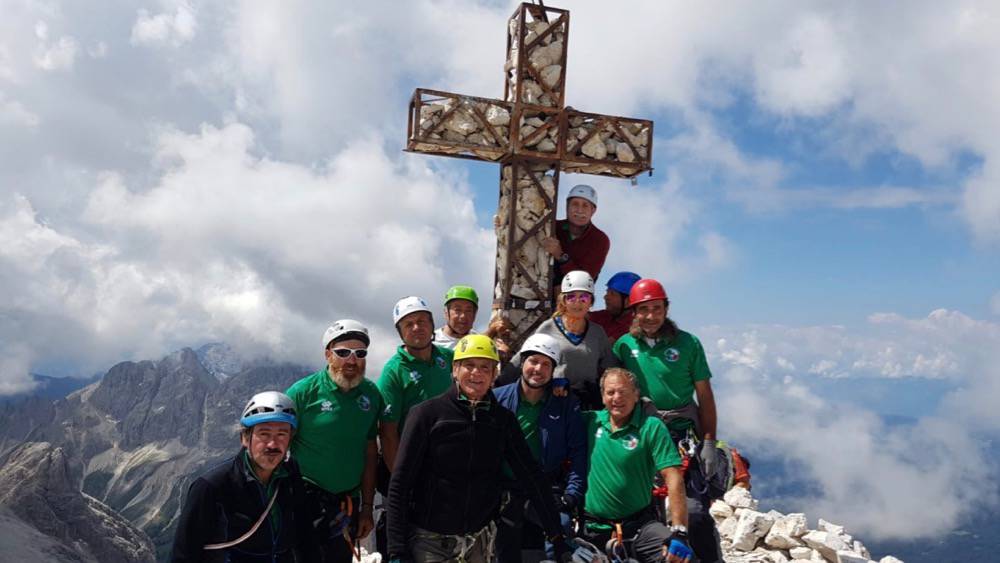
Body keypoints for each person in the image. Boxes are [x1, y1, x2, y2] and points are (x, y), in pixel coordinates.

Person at [386, 335, 574, 563]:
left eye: (485, 367)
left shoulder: (502, 420)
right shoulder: (426, 414)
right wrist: (396, 550)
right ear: (455, 370)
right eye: (469, 365)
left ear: (495, 374)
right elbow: (400, 483)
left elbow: (531, 475)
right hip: (430, 540)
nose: (477, 373)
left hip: (479, 541)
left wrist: (556, 535)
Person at [612, 279, 722, 562]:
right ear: (633, 312)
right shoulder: (623, 347)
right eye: (643, 309)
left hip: (680, 433)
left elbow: (704, 395)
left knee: (693, 511)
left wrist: (709, 440)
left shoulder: (688, 344)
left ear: (666, 309)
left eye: (657, 308)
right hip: (643, 432)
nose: (650, 316)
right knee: (645, 508)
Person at [171, 392, 314, 562]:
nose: (273, 444)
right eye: (264, 434)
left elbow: (306, 536)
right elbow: (184, 554)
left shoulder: (290, 476)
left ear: (290, 440)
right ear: (245, 438)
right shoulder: (211, 487)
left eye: (282, 434)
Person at [286, 320, 381, 562]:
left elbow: (370, 453)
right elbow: (278, 446)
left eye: (360, 353)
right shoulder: (302, 393)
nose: (352, 360)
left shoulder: (371, 395)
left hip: (347, 503)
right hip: (305, 500)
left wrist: (368, 508)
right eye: (342, 353)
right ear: (328, 354)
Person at [581, 368, 693, 563]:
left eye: (623, 392)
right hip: (592, 528)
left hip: (640, 526)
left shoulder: (651, 427)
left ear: (636, 395)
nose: (617, 398)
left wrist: (679, 531)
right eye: (610, 392)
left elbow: (673, 477)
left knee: (679, 558)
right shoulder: (589, 421)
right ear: (602, 396)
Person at [494, 334, 587, 563]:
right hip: (504, 488)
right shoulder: (497, 399)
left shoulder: (566, 404)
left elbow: (578, 451)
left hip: (546, 488)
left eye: (546, 364)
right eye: (533, 361)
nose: (538, 368)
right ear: (522, 363)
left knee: (557, 545)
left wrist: (572, 495)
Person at [376, 296, 454, 554]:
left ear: (433, 325)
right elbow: (388, 433)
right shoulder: (393, 372)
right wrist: (403, 480)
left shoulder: (450, 358)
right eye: (408, 324)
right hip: (413, 468)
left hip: (447, 467)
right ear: (400, 333)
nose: (416, 328)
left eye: (421, 321)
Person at [508, 270, 618, 409]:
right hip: (553, 401)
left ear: (591, 302)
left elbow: (613, 368)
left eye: (584, 297)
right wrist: (498, 386)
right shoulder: (548, 328)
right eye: (571, 297)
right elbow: (521, 360)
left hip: (587, 404)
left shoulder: (597, 332)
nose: (577, 302)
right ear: (564, 301)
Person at [541, 184, 610, 286]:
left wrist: (560, 256)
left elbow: (584, 281)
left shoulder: (599, 240)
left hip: (576, 299)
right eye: (575, 204)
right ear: (567, 207)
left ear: (593, 211)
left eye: (585, 205)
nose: (579, 210)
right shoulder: (553, 227)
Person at [589, 271, 642, 343]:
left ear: (628, 302)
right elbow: (581, 317)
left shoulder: (631, 327)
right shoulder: (605, 316)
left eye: (612, 294)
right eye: (607, 292)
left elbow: (605, 347)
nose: (605, 297)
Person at [432, 285, 479, 349]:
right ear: (446, 312)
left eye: (468, 311)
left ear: (475, 314)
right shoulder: (431, 343)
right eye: (458, 310)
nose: (463, 316)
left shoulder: (479, 342)